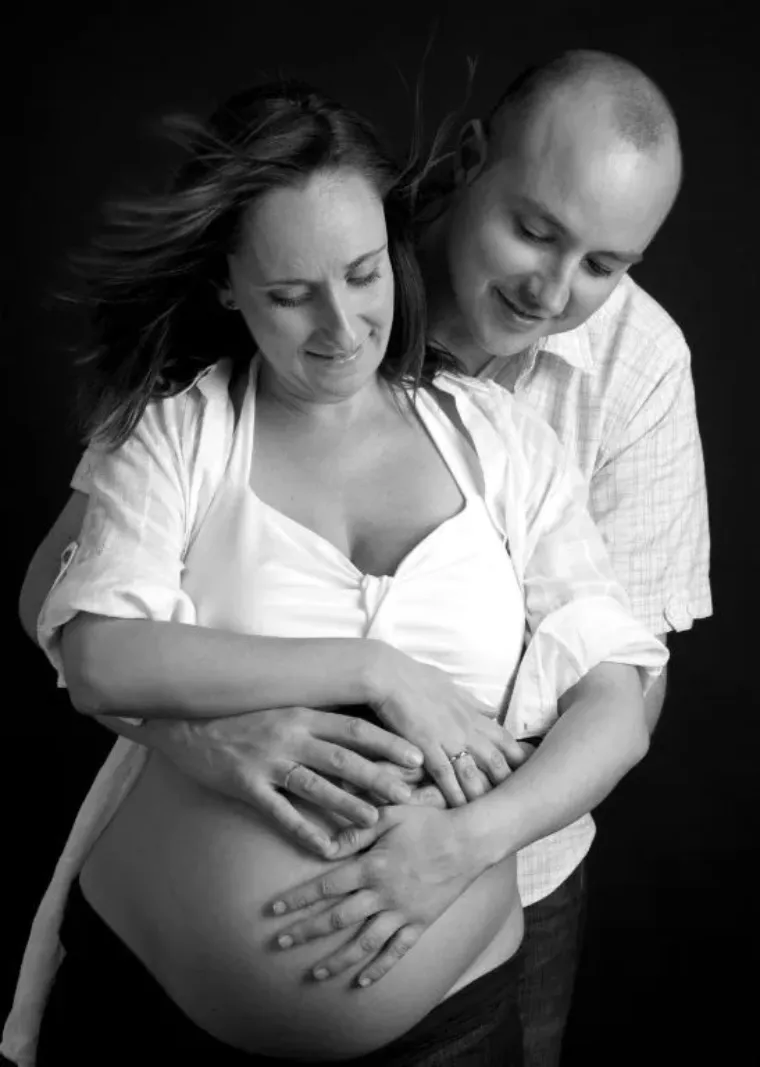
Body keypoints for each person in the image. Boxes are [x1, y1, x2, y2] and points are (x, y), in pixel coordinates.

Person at [2, 80, 667, 1066]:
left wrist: (468, 839)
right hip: (150, 1007)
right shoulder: (180, 429)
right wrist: (370, 668)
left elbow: (615, 700)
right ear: (227, 285)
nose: (342, 325)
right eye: (288, 293)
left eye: (363, 274)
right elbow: (96, 652)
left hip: (443, 1027)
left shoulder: (503, 444)